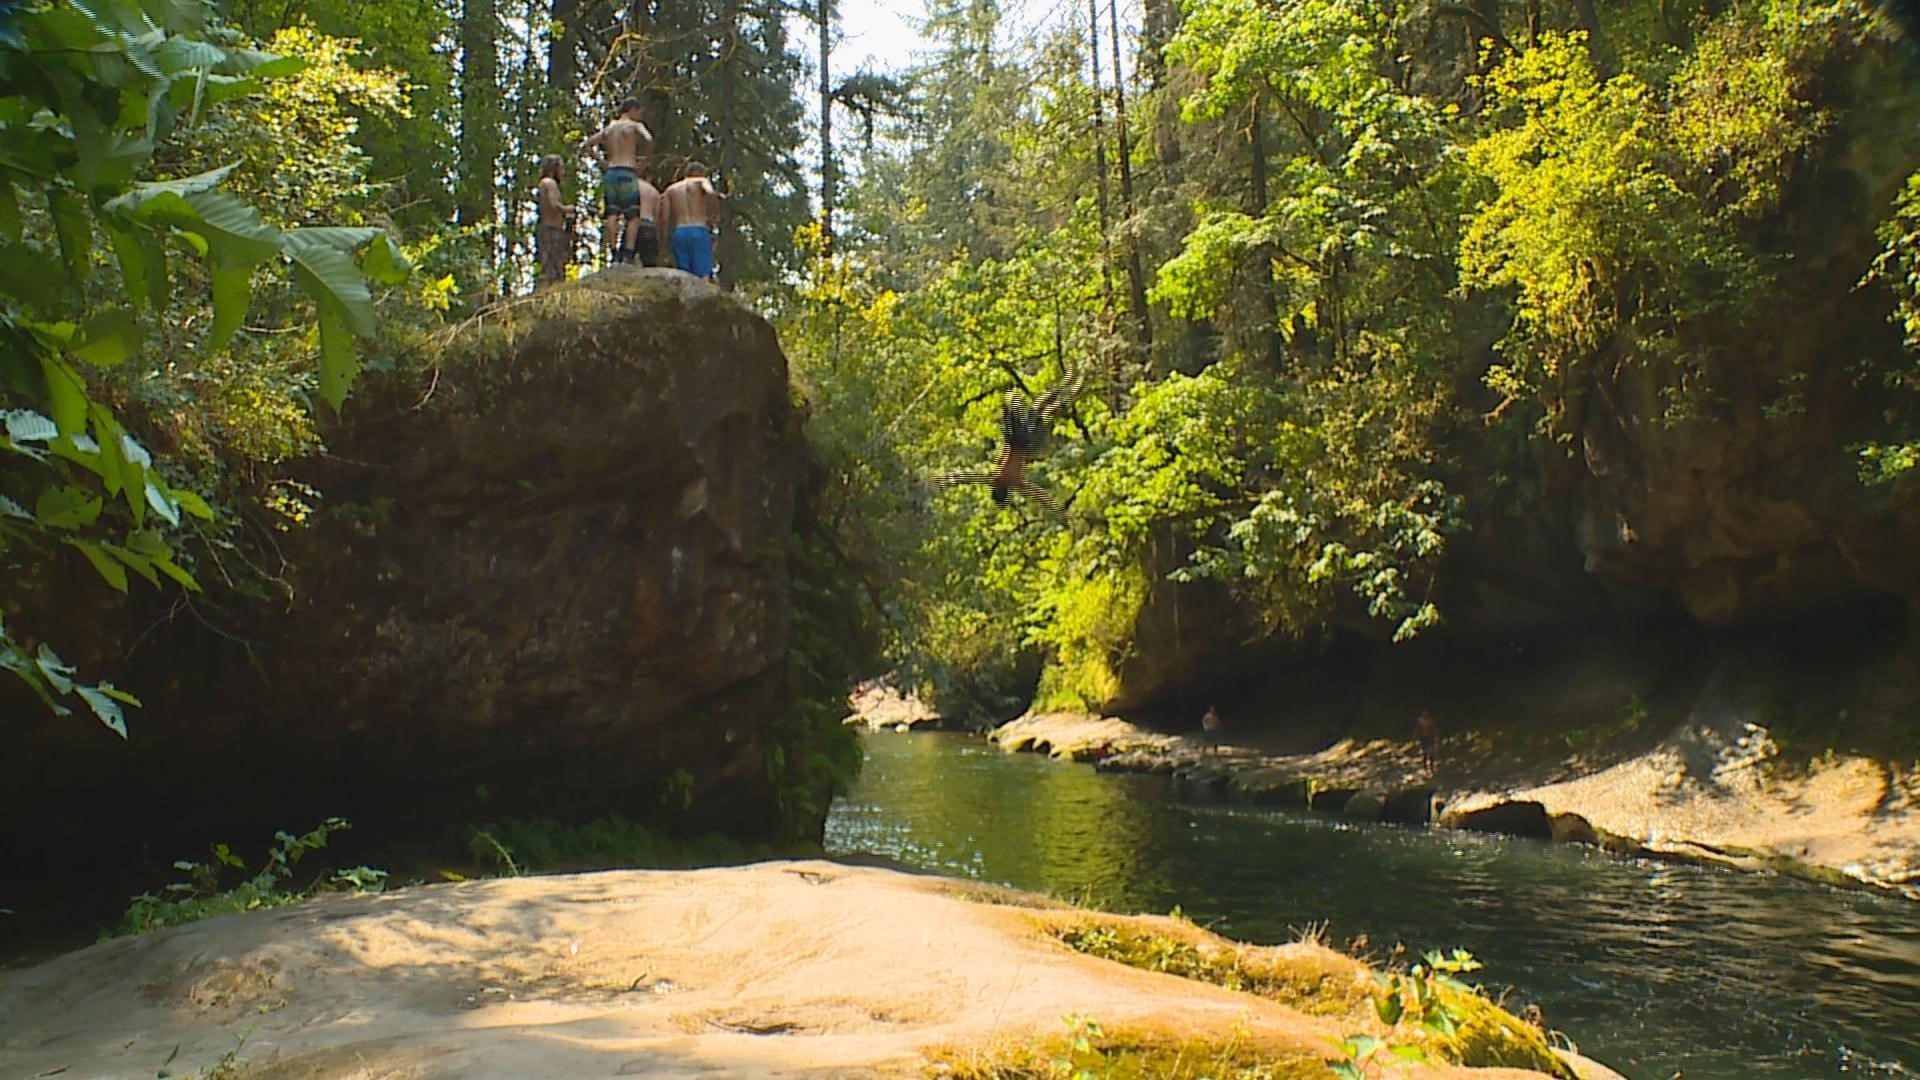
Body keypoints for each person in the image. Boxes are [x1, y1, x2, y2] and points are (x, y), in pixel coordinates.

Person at [932, 360, 1085, 518]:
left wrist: (1057, 508)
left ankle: (1074, 384)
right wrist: (942, 481)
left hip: (1026, 443)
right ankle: (1070, 380)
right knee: (1039, 407)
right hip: (1017, 439)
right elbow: (968, 476)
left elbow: (1038, 493)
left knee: (1045, 410)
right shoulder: (995, 477)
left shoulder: (1016, 483)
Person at [576, 98, 654, 265]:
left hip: (611, 171)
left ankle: (613, 251)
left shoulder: (609, 128)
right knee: (633, 215)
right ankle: (628, 252)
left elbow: (588, 145)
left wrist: (602, 161)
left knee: (612, 213)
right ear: (632, 109)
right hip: (628, 170)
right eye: (639, 112)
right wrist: (644, 161)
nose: (640, 116)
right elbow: (649, 139)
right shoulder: (634, 126)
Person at [661, 161, 722, 280]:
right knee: (703, 274)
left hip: (679, 232)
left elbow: (664, 219)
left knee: (684, 275)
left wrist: (663, 245)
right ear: (700, 173)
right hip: (698, 230)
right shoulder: (701, 182)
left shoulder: (670, 190)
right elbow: (711, 193)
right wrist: (715, 214)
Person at [533, 155, 575, 287]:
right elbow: (553, 204)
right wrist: (567, 209)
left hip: (548, 229)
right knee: (553, 266)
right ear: (554, 168)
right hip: (552, 230)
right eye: (561, 168)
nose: (563, 171)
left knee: (550, 264)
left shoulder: (543, 183)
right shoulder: (550, 183)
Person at [1414, 709, 1439, 776]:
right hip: (1423, 738)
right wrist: (1417, 737)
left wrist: (1435, 736)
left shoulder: (1431, 721)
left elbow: (1434, 729)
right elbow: (1417, 729)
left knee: (1431, 753)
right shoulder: (1420, 721)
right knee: (1425, 753)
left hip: (1430, 738)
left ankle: (1431, 766)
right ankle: (1425, 767)